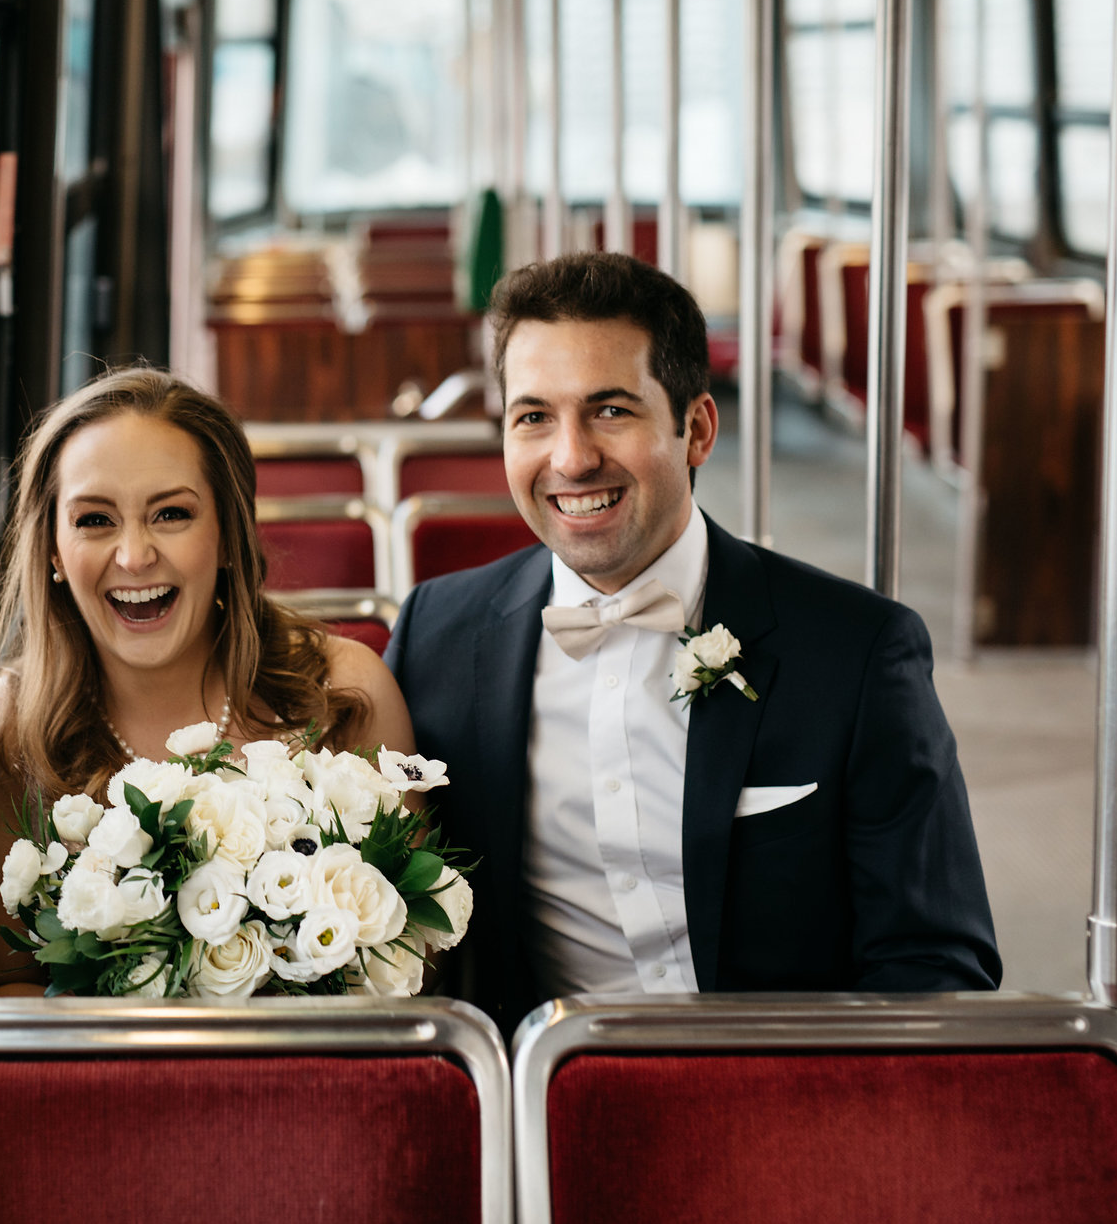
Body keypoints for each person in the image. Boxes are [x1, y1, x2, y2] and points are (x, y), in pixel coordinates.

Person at [384, 252, 999, 1032]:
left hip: (785, 1106)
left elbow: (938, 964)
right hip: (540, 1112)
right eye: (533, 416)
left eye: (611, 410)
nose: (570, 458)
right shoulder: (437, 635)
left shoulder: (857, 654)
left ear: (697, 429)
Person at [0, 367, 416, 996]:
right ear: (53, 550)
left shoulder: (347, 697)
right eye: (94, 521)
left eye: (170, 514)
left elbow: (408, 965)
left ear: (226, 536)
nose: (134, 556)